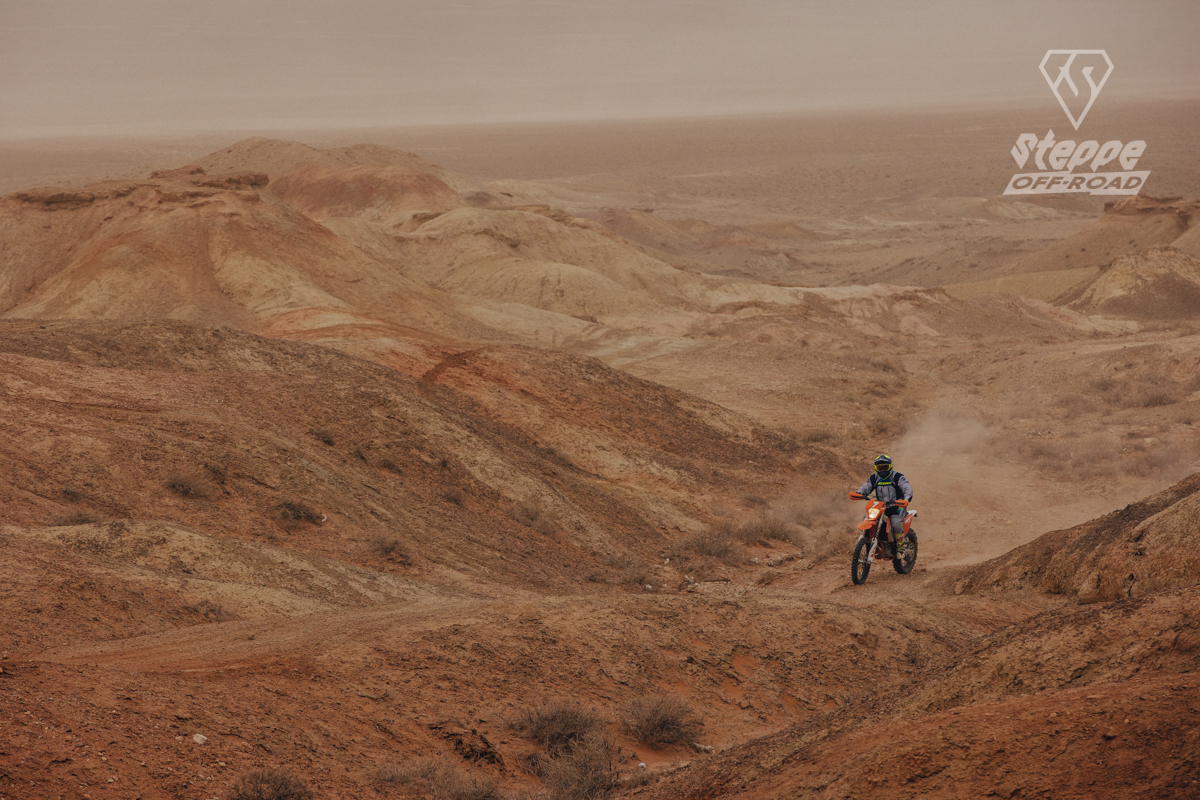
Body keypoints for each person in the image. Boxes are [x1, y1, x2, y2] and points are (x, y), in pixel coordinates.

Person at [857, 454, 913, 556]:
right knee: (866, 519)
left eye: (885, 467)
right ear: (876, 468)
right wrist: (858, 493)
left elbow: (907, 488)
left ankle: (900, 548)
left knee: (896, 523)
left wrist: (906, 499)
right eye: (880, 468)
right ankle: (872, 543)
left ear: (890, 466)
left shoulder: (898, 477)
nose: (882, 470)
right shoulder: (874, 478)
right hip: (880, 507)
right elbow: (866, 487)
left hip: (897, 507)